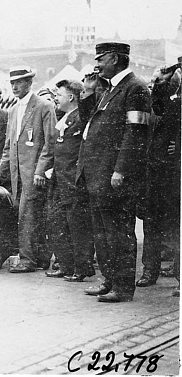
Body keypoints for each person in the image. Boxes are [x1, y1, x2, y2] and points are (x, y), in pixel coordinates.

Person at [77, 42, 151, 303]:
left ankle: (123, 287)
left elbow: (136, 135)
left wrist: (121, 170)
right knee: (102, 232)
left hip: (115, 177)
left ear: (117, 59)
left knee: (119, 232)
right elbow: (88, 121)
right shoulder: (107, 89)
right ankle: (109, 280)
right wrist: (88, 90)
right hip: (98, 176)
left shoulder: (135, 88)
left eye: (102, 59)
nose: (97, 64)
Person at [0, 66, 56, 273]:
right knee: (29, 214)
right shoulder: (13, 110)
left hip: (34, 174)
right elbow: (10, 145)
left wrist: (39, 170)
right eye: (12, 83)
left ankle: (28, 259)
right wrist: (0, 170)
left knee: (28, 215)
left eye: (19, 82)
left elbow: (50, 143)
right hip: (18, 174)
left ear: (30, 83)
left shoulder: (44, 107)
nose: (15, 86)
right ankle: (41, 258)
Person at [44, 79, 95, 281]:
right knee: (57, 224)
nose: (55, 98)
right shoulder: (64, 118)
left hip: (74, 184)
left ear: (71, 97)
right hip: (58, 181)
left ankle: (81, 268)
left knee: (77, 227)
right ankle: (65, 265)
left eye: (59, 94)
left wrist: (89, 89)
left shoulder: (80, 118)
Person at [137, 63, 181, 292]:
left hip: (170, 175)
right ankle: (149, 270)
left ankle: (178, 273)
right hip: (150, 175)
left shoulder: (173, 106)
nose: (154, 87)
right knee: (151, 225)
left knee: (174, 226)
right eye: (153, 82)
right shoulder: (148, 109)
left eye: (159, 82)